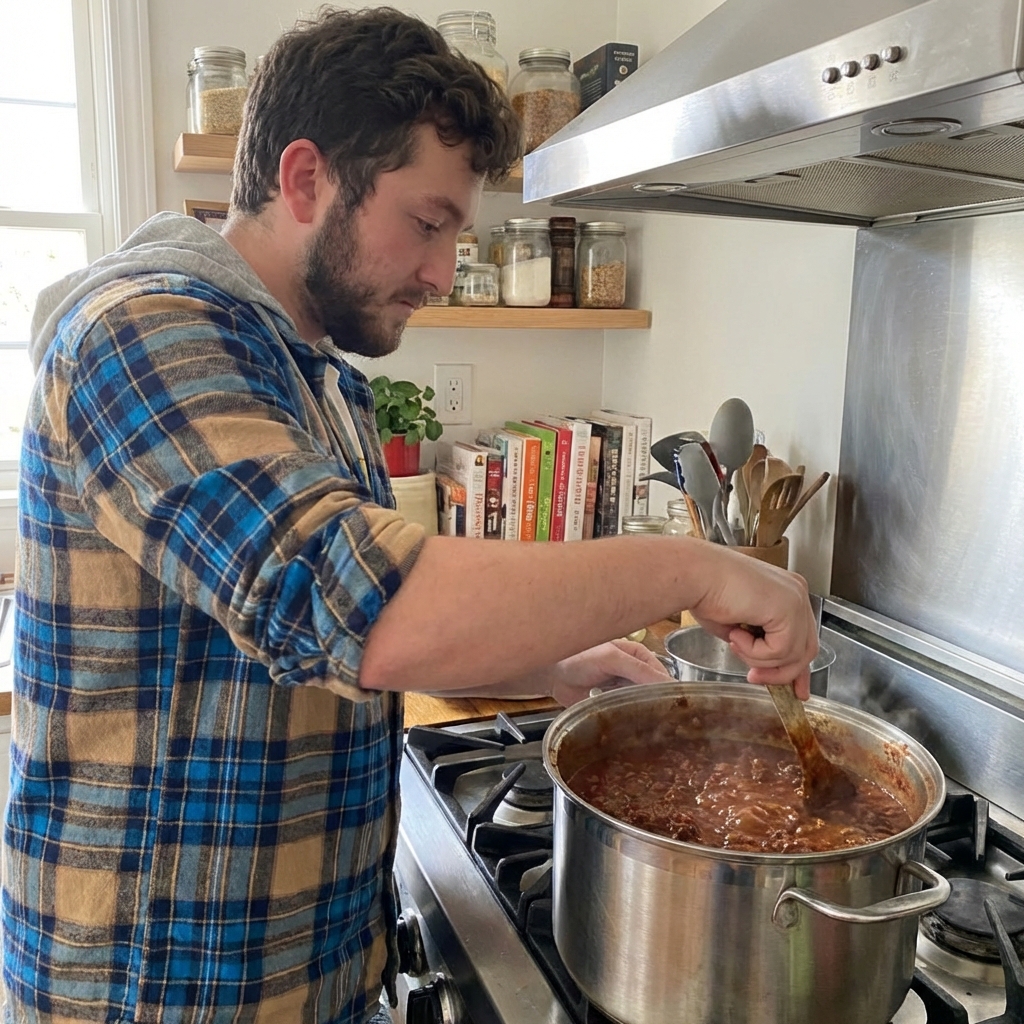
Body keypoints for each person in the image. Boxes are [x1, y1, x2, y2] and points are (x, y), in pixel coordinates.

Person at [4, 8, 818, 1024]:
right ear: (304, 181)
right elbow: (357, 603)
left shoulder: (315, 377)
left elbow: (334, 647)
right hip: (160, 988)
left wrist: (547, 668)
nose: (439, 273)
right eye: (427, 223)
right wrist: (690, 567)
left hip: (308, 968)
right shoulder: (139, 334)